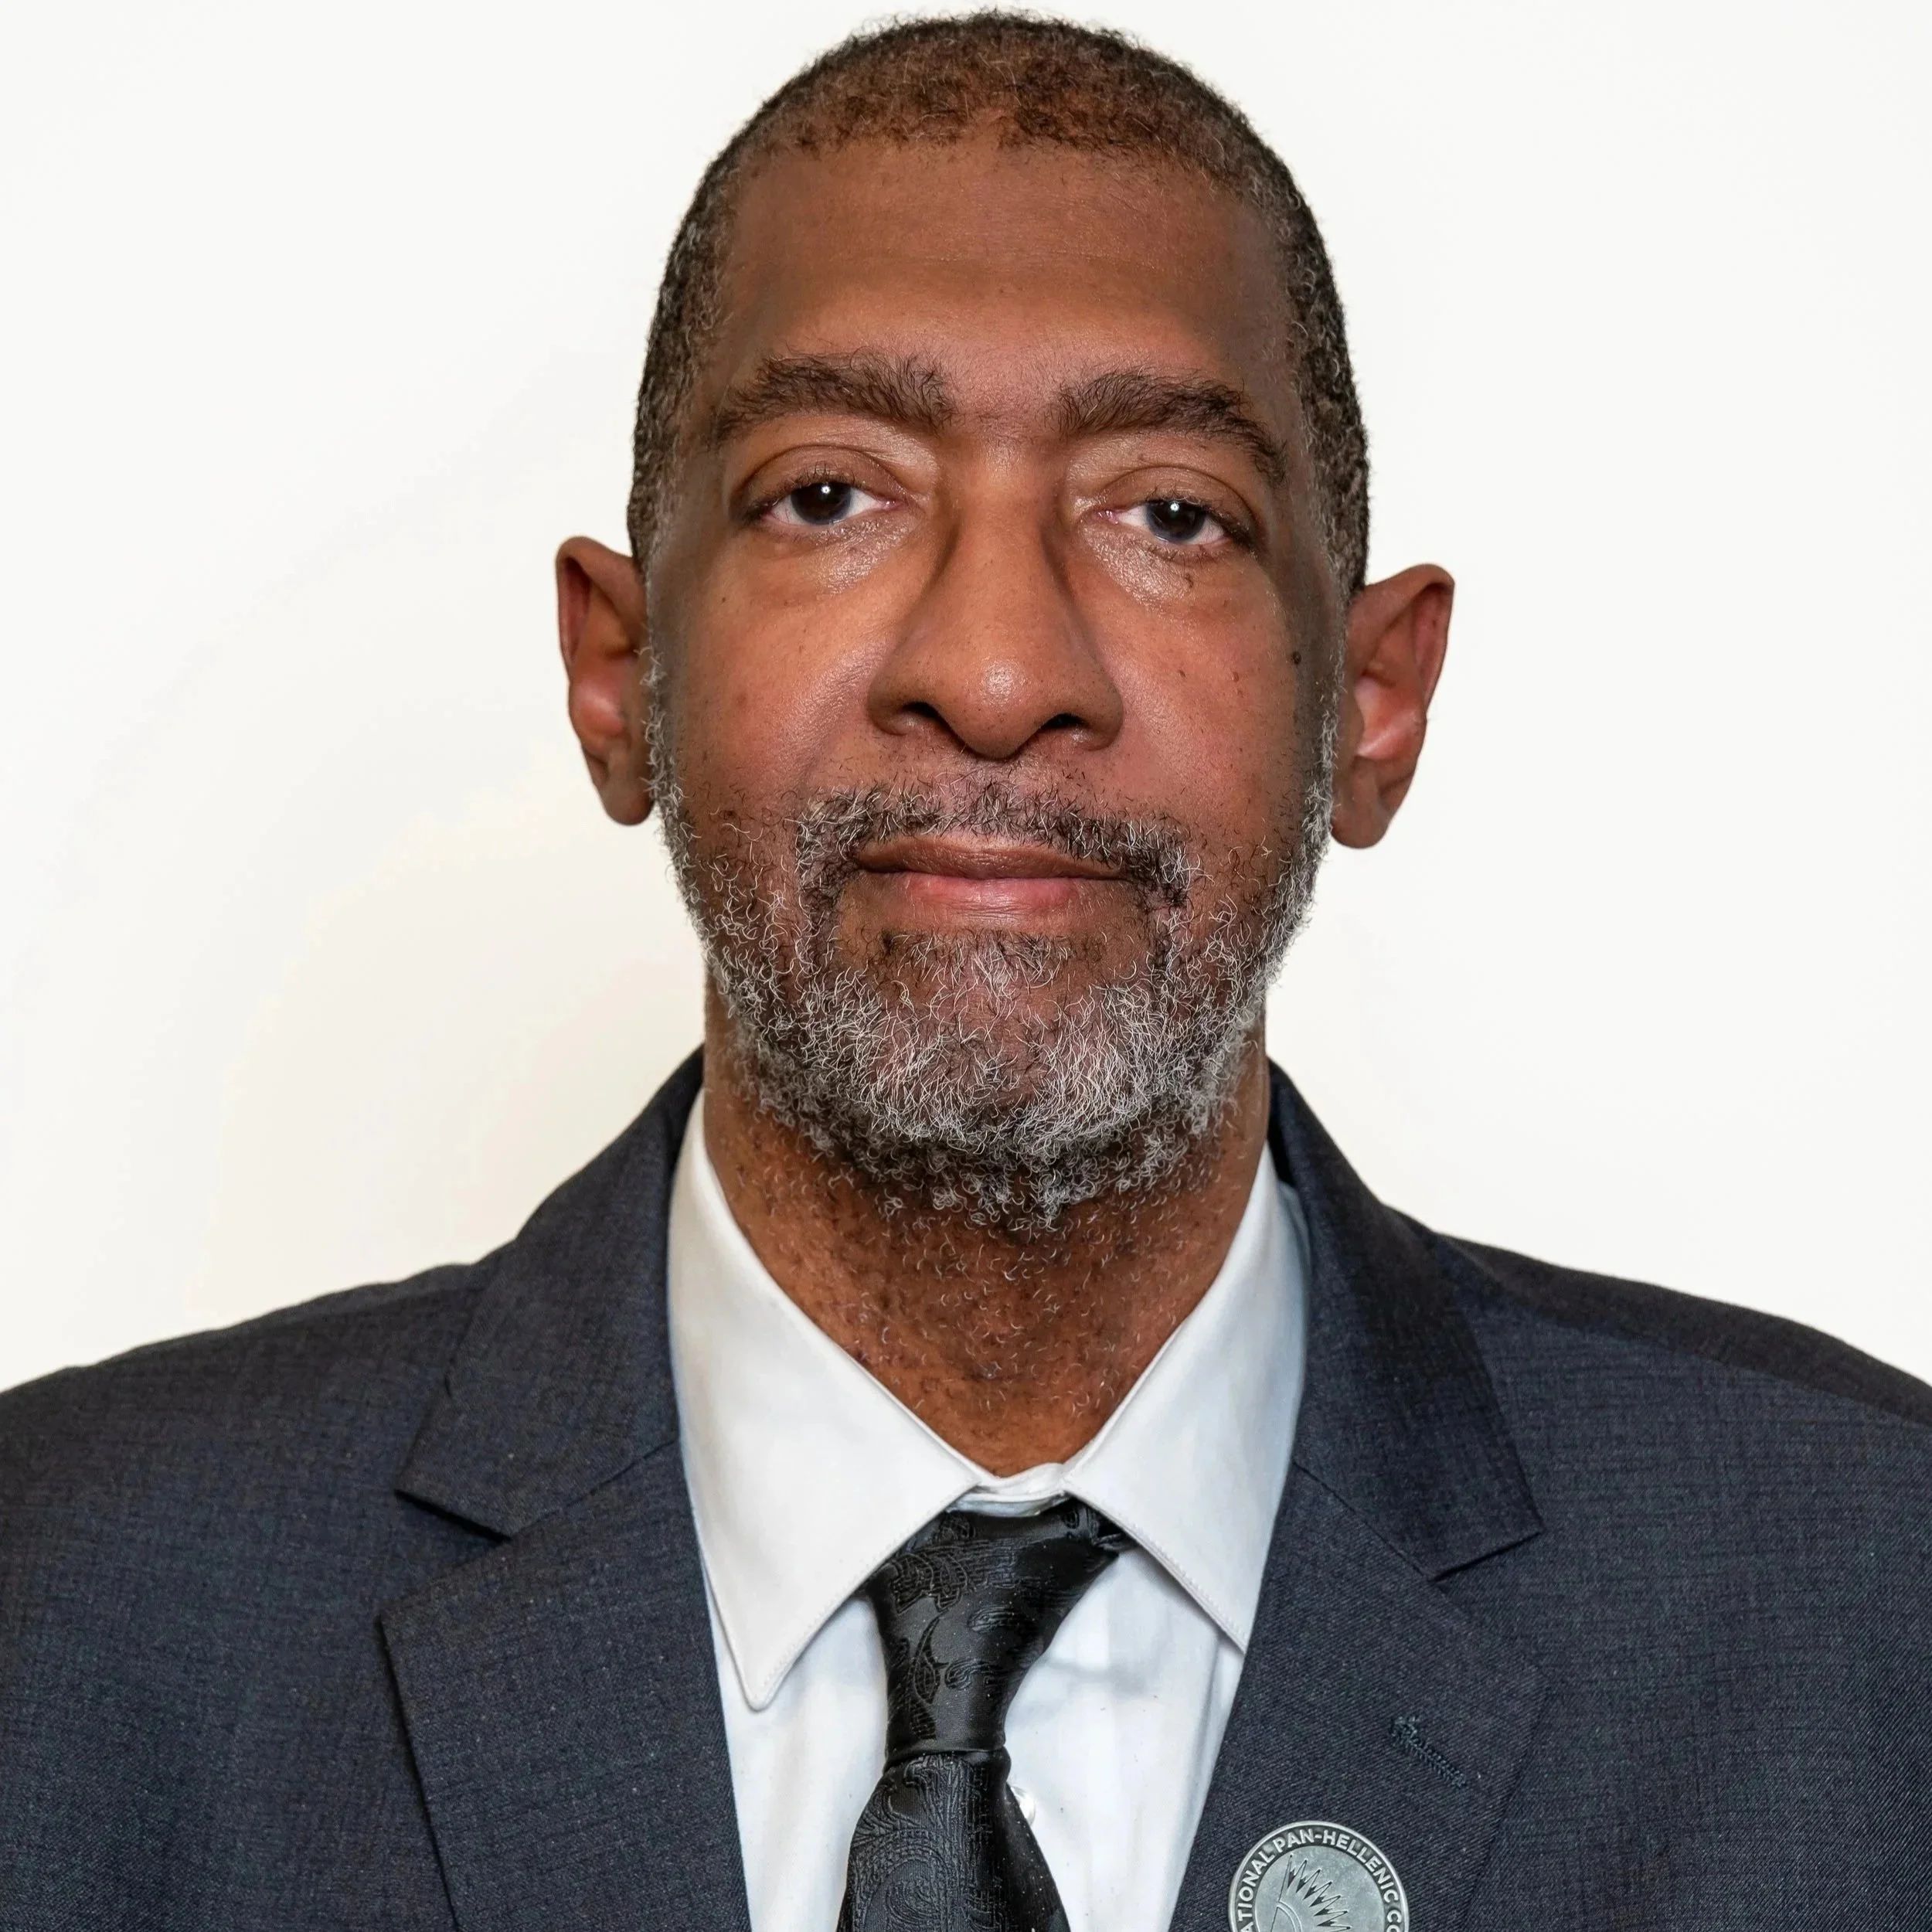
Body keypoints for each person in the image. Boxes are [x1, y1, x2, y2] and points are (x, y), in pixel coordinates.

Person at [2, 14, 1928, 1930]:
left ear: (1369, 702)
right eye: (828, 495)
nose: (997, 673)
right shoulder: (67, 1606)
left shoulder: (1863, 1595)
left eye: (1169, 513)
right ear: (618, 675)